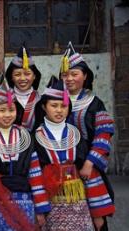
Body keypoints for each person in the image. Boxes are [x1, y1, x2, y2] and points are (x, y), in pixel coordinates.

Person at [0, 79, 50, 230]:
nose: (7, 115)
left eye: (11, 110)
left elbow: (35, 174)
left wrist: (40, 209)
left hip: (24, 202)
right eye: (2, 110)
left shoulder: (27, 138)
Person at [60, 42, 115, 230]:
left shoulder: (95, 103)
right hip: (61, 168)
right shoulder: (55, 102)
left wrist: (90, 163)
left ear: (85, 76)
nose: (69, 79)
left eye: (74, 74)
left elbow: (104, 134)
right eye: (65, 74)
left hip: (87, 166)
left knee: (96, 218)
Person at [34, 76, 96, 230]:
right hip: (49, 200)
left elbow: (90, 174)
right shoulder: (34, 137)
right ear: (44, 107)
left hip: (77, 201)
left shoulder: (76, 136)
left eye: (64, 106)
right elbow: (32, 175)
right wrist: (39, 209)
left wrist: (98, 212)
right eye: (54, 105)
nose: (59, 110)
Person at [5, 46, 42, 131]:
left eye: (27, 74)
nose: (22, 78)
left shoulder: (40, 100)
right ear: (11, 77)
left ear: (34, 76)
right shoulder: (4, 99)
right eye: (17, 74)